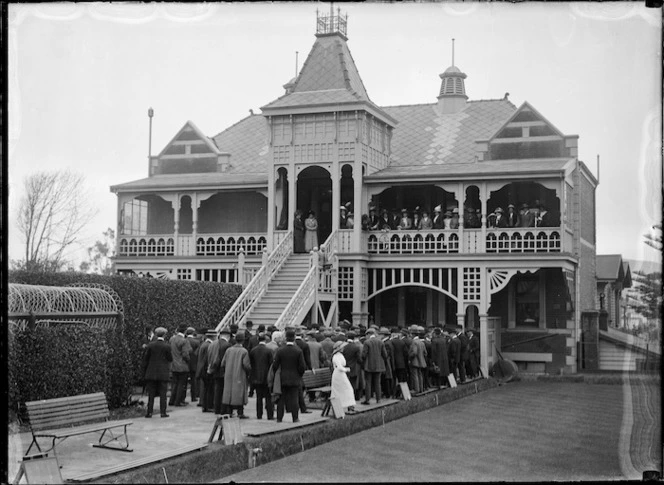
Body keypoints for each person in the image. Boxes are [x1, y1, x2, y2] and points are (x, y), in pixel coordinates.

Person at [273, 329, 306, 423]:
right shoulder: (298, 351)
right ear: (294, 338)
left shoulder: (280, 350)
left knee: (281, 399)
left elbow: (275, 365)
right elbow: (302, 366)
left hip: (283, 377)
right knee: (294, 398)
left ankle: (279, 418)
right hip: (295, 378)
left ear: (286, 338)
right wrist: (299, 374)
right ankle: (295, 418)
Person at [220, 330, 251, 418]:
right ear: (243, 340)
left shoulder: (229, 350)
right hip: (240, 375)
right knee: (239, 394)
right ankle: (240, 413)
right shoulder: (244, 351)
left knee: (229, 393)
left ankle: (229, 412)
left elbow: (223, 363)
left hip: (229, 375)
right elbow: (246, 365)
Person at [142, 327, 172, 418]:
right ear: (164, 335)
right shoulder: (167, 346)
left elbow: (146, 359)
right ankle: (163, 412)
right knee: (163, 394)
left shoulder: (150, 345)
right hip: (163, 373)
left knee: (151, 394)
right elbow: (170, 359)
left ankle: (149, 412)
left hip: (151, 372)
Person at [249, 332, 274, 420]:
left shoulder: (253, 350)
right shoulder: (268, 351)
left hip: (256, 377)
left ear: (257, 340)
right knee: (268, 397)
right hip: (266, 377)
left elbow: (251, 364)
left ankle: (259, 415)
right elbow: (271, 365)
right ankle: (270, 415)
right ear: (265, 340)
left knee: (258, 397)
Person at [207, 327, 232, 414]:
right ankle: (223, 409)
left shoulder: (213, 344)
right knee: (223, 391)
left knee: (217, 390)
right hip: (223, 371)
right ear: (228, 335)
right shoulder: (227, 345)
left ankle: (216, 408)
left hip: (214, 369)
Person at [361, 327, 388, 404]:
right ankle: (378, 399)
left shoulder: (367, 342)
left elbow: (364, 355)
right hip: (379, 365)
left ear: (369, 334)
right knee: (377, 382)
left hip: (369, 365)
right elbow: (385, 355)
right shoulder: (381, 342)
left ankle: (367, 399)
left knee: (368, 382)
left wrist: (363, 361)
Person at [168, 323, 192, 407]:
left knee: (174, 383)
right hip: (182, 365)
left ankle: (172, 400)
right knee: (181, 384)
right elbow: (185, 354)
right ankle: (178, 401)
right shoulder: (184, 341)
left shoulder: (172, 339)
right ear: (185, 331)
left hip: (173, 364)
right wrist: (189, 361)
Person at [330, 341, 357, 414]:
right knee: (346, 389)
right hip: (338, 375)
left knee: (347, 389)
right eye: (342, 347)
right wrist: (347, 369)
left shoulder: (340, 355)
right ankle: (339, 409)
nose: (343, 348)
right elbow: (339, 367)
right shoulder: (336, 356)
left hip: (342, 374)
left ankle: (349, 406)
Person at [196, 329, 216, 413]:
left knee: (206, 389)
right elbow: (207, 359)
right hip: (206, 370)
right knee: (209, 389)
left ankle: (205, 406)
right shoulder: (208, 345)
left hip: (201, 369)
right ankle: (208, 406)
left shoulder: (203, 344)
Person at [341, 331, 362, 400]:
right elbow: (359, 359)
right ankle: (352, 397)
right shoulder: (356, 347)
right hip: (354, 368)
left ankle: (345, 397)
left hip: (345, 367)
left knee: (345, 383)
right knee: (353, 384)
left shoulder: (343, 346)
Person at [408, 326, 427, 394]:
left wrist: (409, 356)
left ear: (413, 335)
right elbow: (425, 353)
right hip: (421, 361)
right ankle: (421, 389)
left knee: (415, 375)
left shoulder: (414, 342)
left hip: (415, 361)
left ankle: (417, 389)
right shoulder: (421, 342)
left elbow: (414, 352)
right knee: (420, 375)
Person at [185, 327, 200, 403]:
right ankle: (193, 396)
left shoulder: (184, 340)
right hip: (194, 363)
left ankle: (182, 397)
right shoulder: (196, 342)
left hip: (185, 363)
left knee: (184, 381)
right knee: (193, 381)